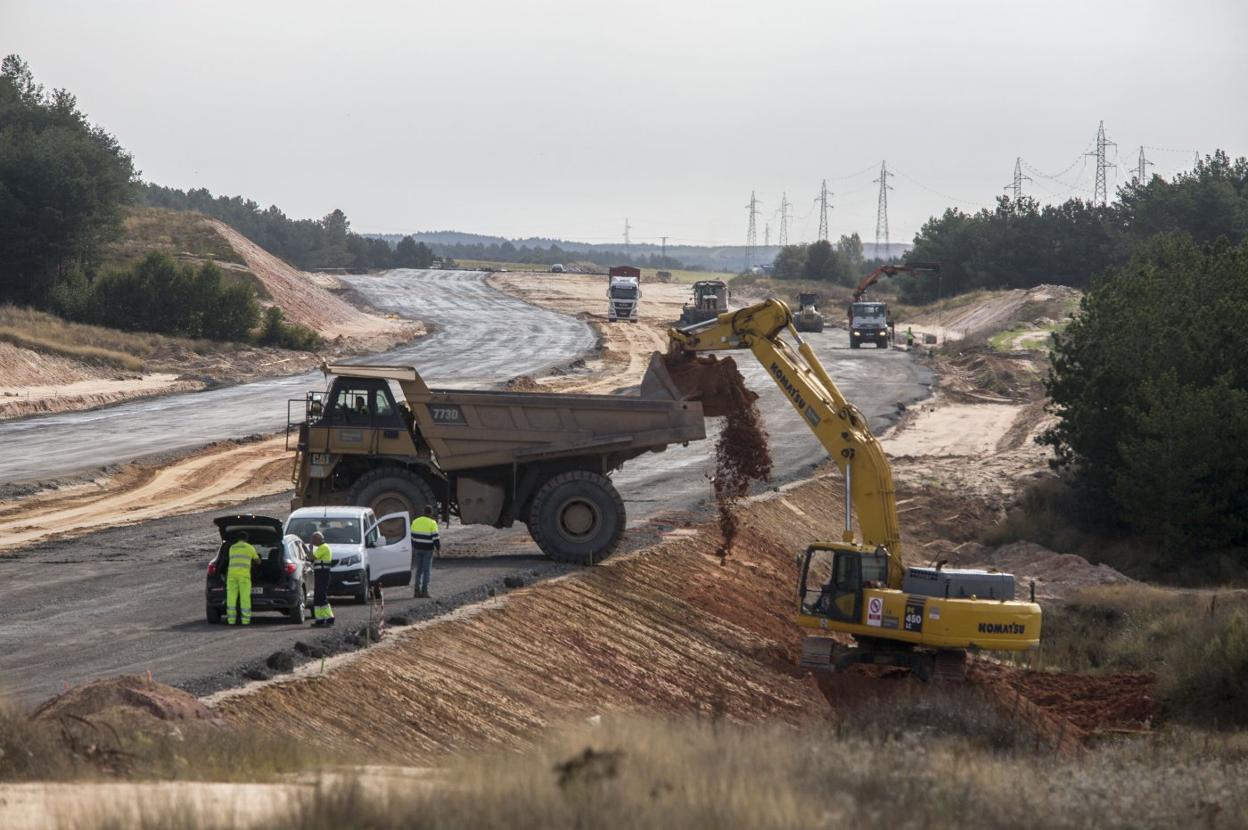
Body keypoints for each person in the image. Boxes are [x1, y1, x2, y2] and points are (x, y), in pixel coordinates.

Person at [226, 531, 259, 626]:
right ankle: (245, 620)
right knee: (244, 598)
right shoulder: (250, 548)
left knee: (231, 597)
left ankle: (231, 620)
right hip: (244, 576)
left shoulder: (232, 547)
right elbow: (257, 561)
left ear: (238, 538)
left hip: (231, 575)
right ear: (246, 539)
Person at [409, 505, 440, 598]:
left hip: (417, 549)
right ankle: (424, 591)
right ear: (431, 513)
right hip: (428, 550)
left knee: (419, 570)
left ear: (424, 512)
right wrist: (438, 549)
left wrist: (414, 546)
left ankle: (416, 591)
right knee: (426, 571)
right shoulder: (432, 523)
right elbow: (435, 538)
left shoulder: (416, 521)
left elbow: (412, 536)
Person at [310, 531, 335, 627]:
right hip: (319, 574)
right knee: (318, 596)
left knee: (321, 595)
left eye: (313, 539)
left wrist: (310, 549)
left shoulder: (323, 547)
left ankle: (329, 618)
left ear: (319, 539)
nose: (312, 541)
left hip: (323, 574)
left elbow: (311, 557)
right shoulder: (321, 548)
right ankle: (320, 619)